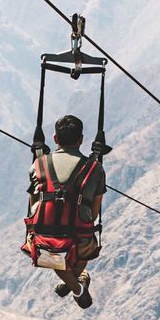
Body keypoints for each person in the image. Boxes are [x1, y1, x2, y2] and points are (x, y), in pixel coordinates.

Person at [26, 114, 106, 308]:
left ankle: (73, 284)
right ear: (81, 140)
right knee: (83, 252)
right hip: (79, 238)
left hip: (43, 237)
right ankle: (77, 287)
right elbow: (94, 213)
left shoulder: (38, 165)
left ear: (55, 139)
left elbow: (32, 204)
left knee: (54, 253)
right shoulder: (95, 169)